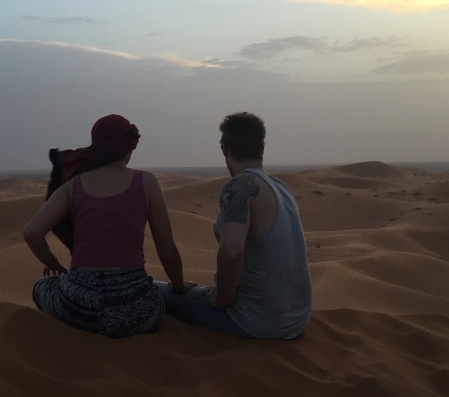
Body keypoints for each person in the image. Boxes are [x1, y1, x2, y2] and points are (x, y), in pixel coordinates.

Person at [23, 114, 187, 339]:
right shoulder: (147, 182)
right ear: (129, 147)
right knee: (155, 298)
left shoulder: (73, 186)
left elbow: (31, 232)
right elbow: (168, 253)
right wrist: (179, 288)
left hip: (80, 306)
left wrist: (54, 265)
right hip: (137, 310)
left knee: (41, 286)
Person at [155, 112, 312, 339]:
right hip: (296, 320)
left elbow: (231, 252)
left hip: (256, 321)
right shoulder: (280, 187)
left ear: (224, 148)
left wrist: (220, 300)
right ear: (261, 147)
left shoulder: (240, 186)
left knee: (155, 290)